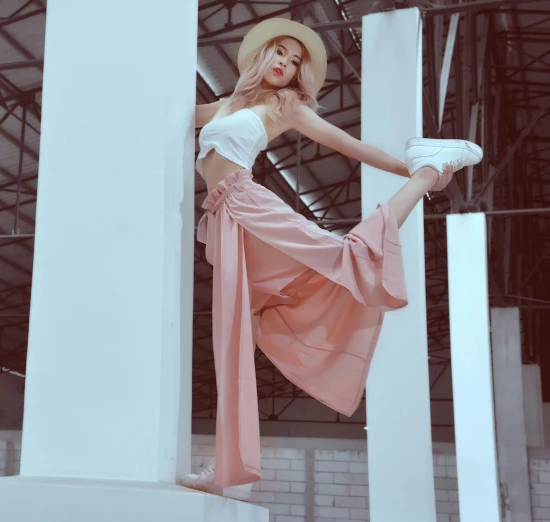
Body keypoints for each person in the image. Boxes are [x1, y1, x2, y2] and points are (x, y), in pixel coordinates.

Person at [181, 18, 482, 501]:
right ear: (261, 56)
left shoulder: (287, 106)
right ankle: (227, 471)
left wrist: (407, 165)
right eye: (280, 52)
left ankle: (427, 170)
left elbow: (350, 146)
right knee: (233, 335)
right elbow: (165, 113)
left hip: (249, 203)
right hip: (225, 220)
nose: (286, 63)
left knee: (345, 256)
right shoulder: (223, 107)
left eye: (295, 60)